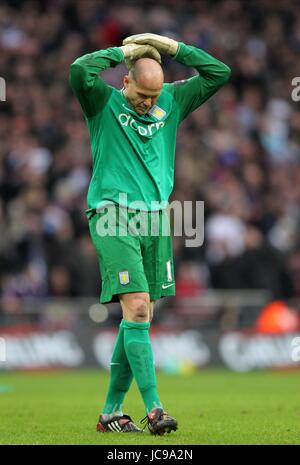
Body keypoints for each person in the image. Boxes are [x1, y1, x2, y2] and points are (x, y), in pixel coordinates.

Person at [69, 33, 231, 435]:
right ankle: (155, 408)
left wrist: (173, 47)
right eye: (142, 94)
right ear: (125, 82)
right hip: (113, 214)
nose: (149, 103)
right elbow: (79, 70)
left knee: (139, 314)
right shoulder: (102, 102)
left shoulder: (172, 101)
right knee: (138, 307)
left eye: (155, 95)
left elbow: (219, 73)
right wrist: (124, 52)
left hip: (156, 220)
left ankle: (110, 414)